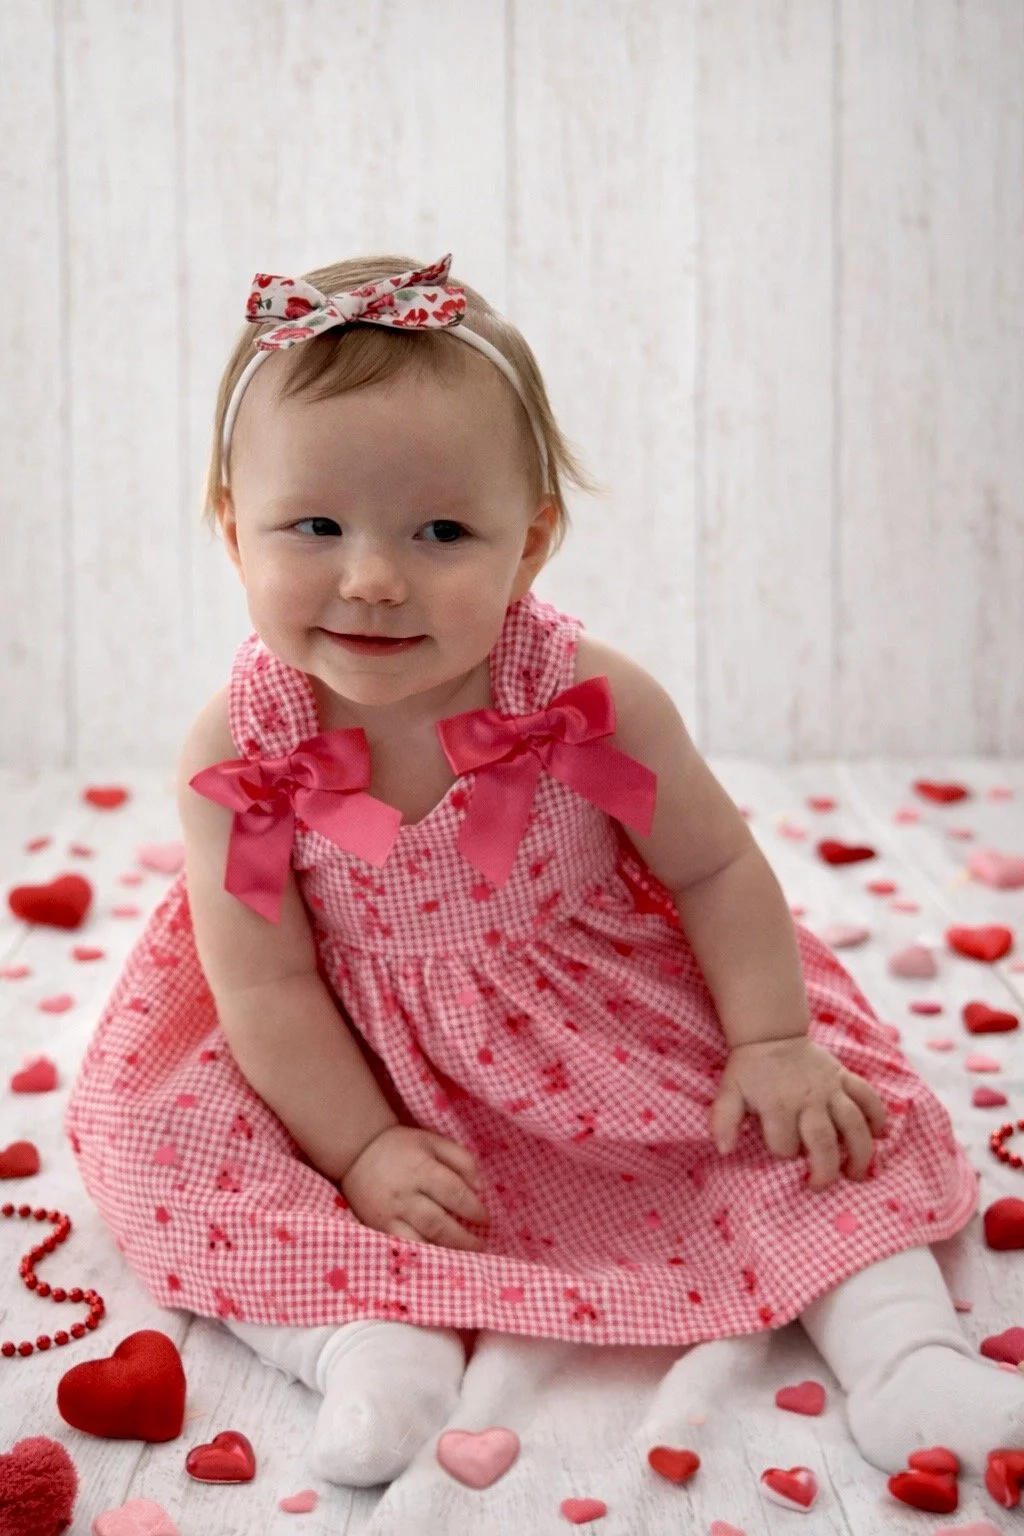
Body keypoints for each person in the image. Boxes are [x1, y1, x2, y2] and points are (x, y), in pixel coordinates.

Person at [65, 252, 1020, 1490]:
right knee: (173, 1147)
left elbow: (716, 865)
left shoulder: (578, 699)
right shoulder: (245, 749)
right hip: (342, 1052)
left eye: (442, 531)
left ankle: (904, 1352)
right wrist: (358, 1150)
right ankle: (361, 1334)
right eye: (314, 526)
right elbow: (263, 984)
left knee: (801, 1132)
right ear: (227, 520)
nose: (372, 576)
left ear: (530, 546)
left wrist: (770, 1038)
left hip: (596, 1030)